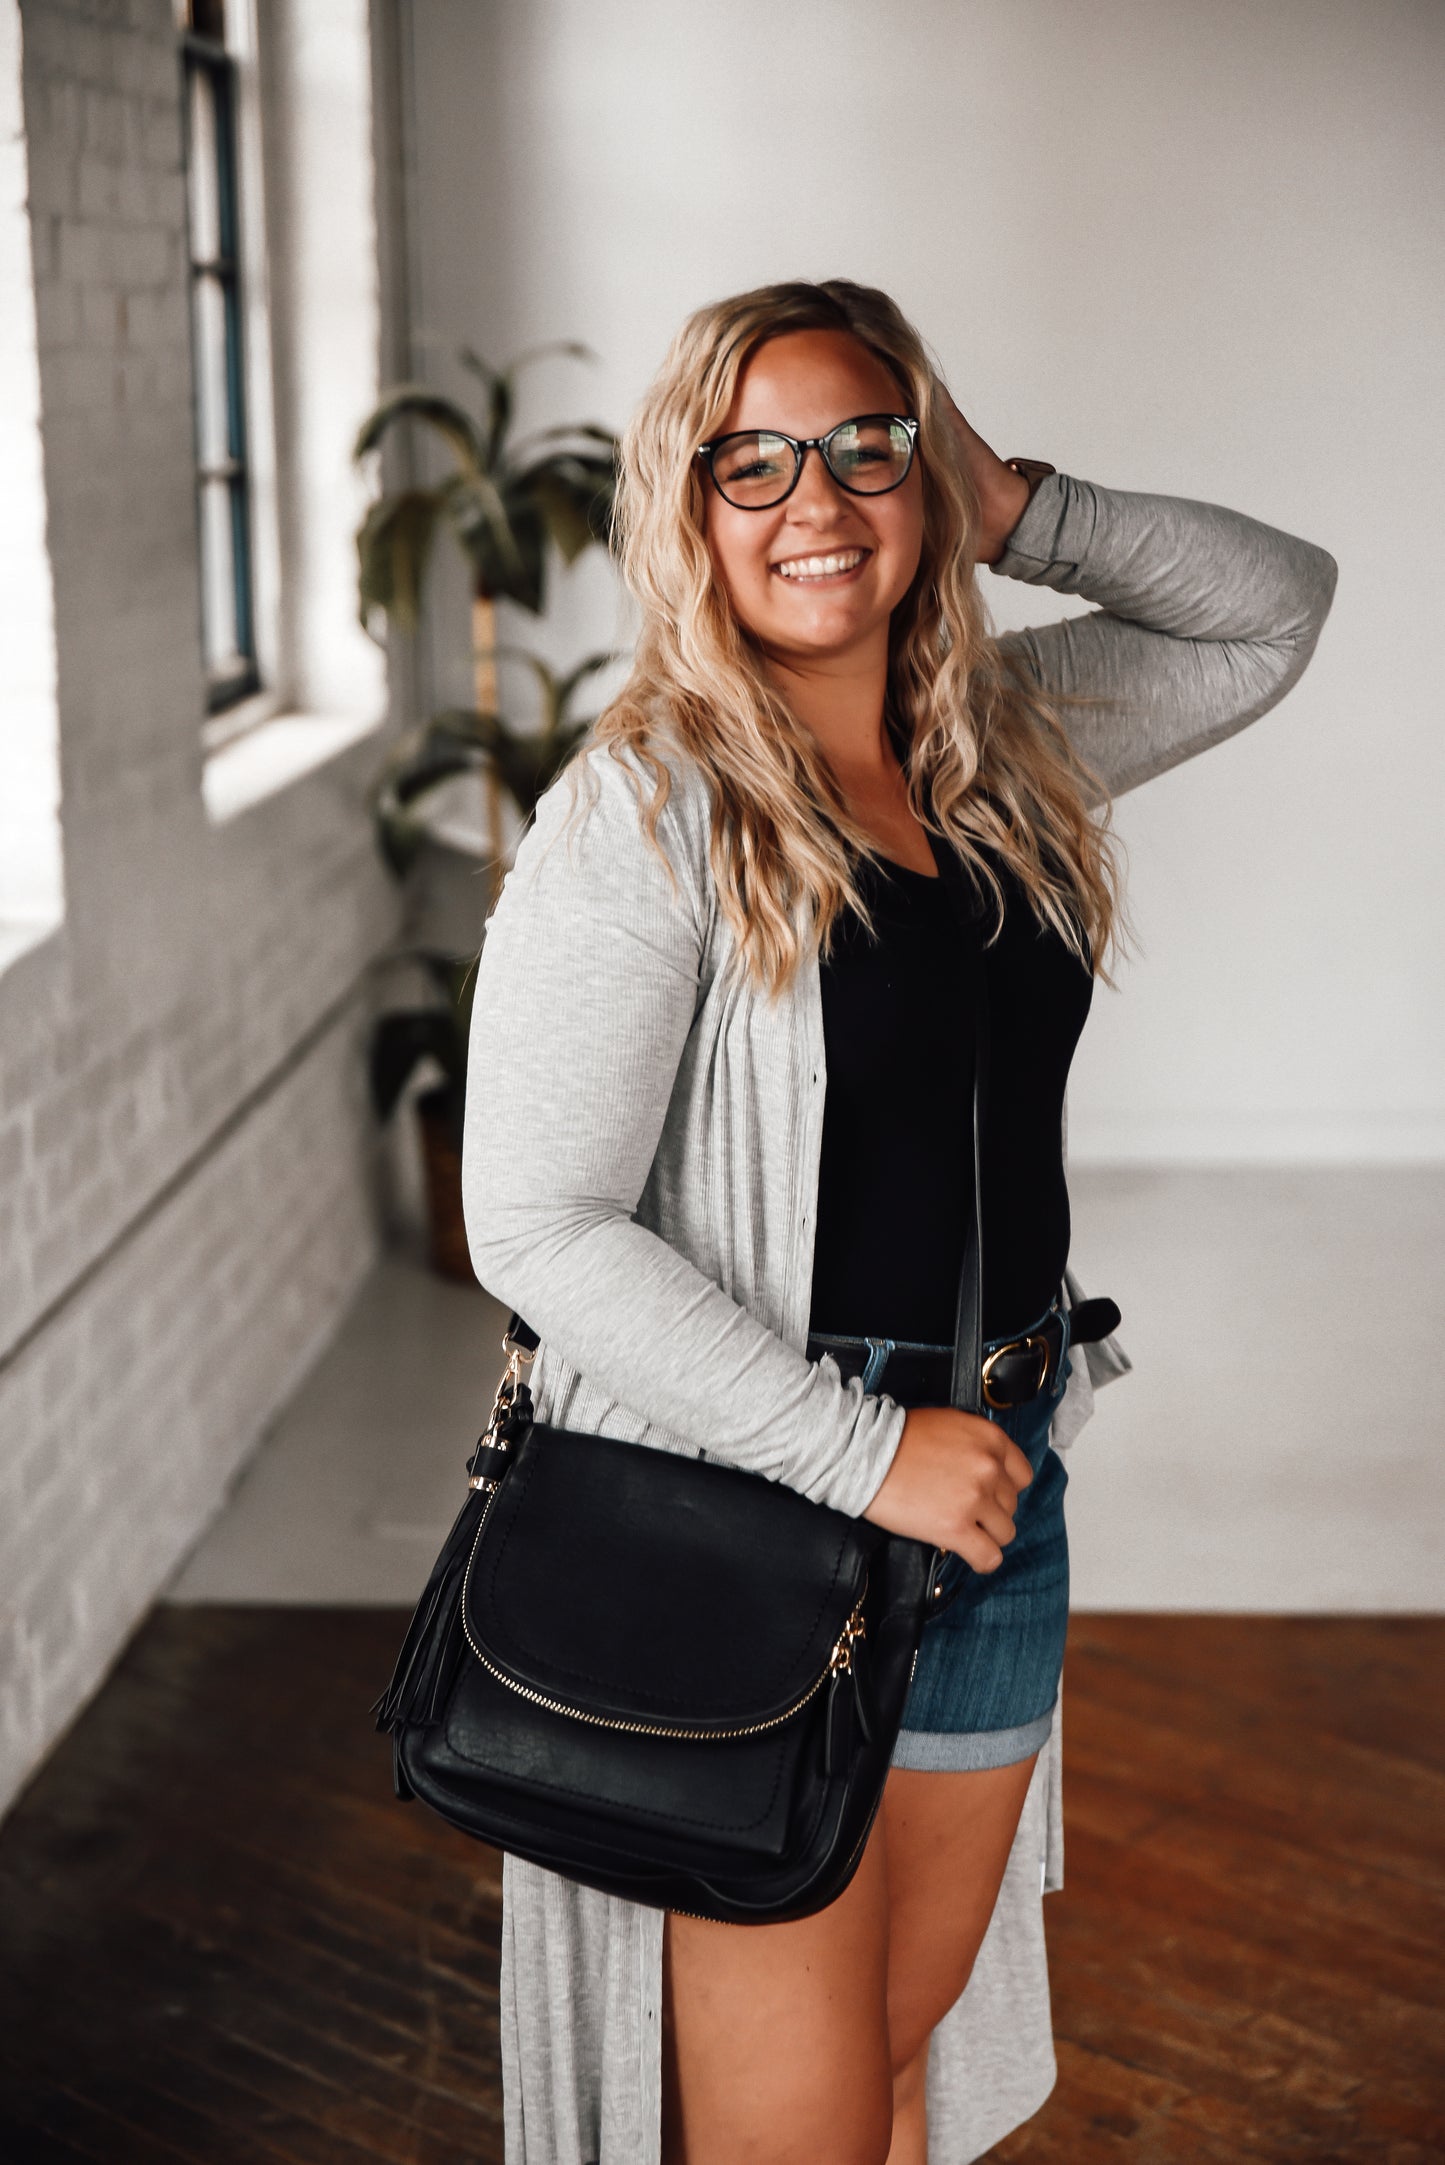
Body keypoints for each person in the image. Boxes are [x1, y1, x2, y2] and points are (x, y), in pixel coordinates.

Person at [461, 279, 1337, 2165]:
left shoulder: (996, 751)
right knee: (789, 2128)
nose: (817, 500)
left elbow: (1274, 605)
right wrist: (861, 1456)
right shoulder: (646, 809)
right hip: (764, 1502)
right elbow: (532, 1220)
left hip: (993, 1486)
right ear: (686, 507)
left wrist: (1021, 507)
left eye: (866, 446)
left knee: (883, 2078)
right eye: (751, 460)